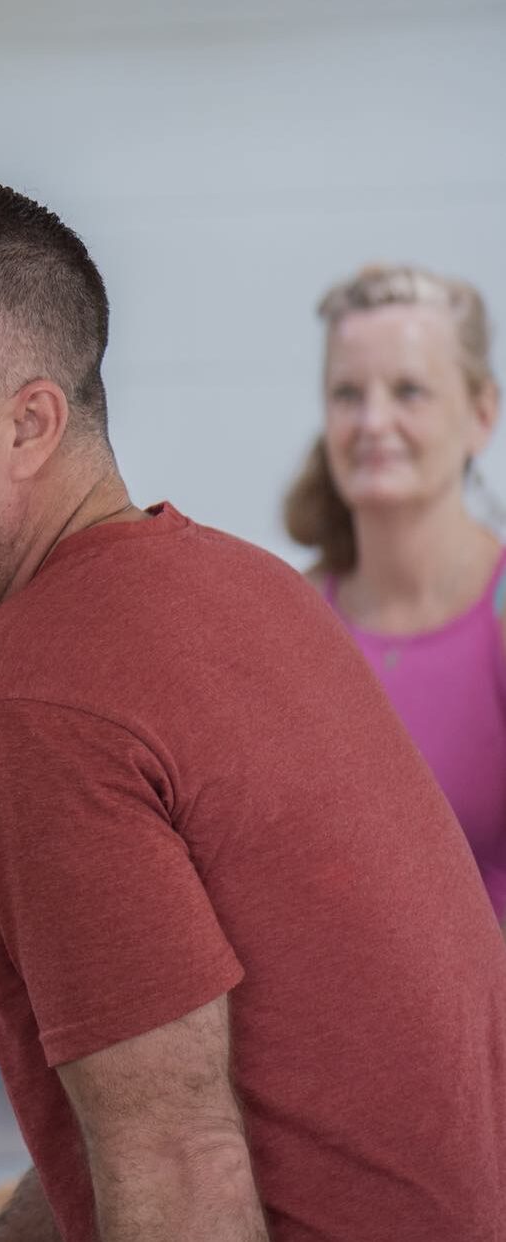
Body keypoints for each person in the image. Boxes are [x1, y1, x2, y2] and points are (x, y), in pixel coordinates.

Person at [0, 177, 506, 1240]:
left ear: (29, 424)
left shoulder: (19, 695)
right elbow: (144, 1125)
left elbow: (178, 1175)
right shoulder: (254, 587)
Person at [283, 264, 506, 920]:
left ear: (481, 414)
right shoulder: (289, 620)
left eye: (409, 390)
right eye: (348, 394)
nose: (373, 421)